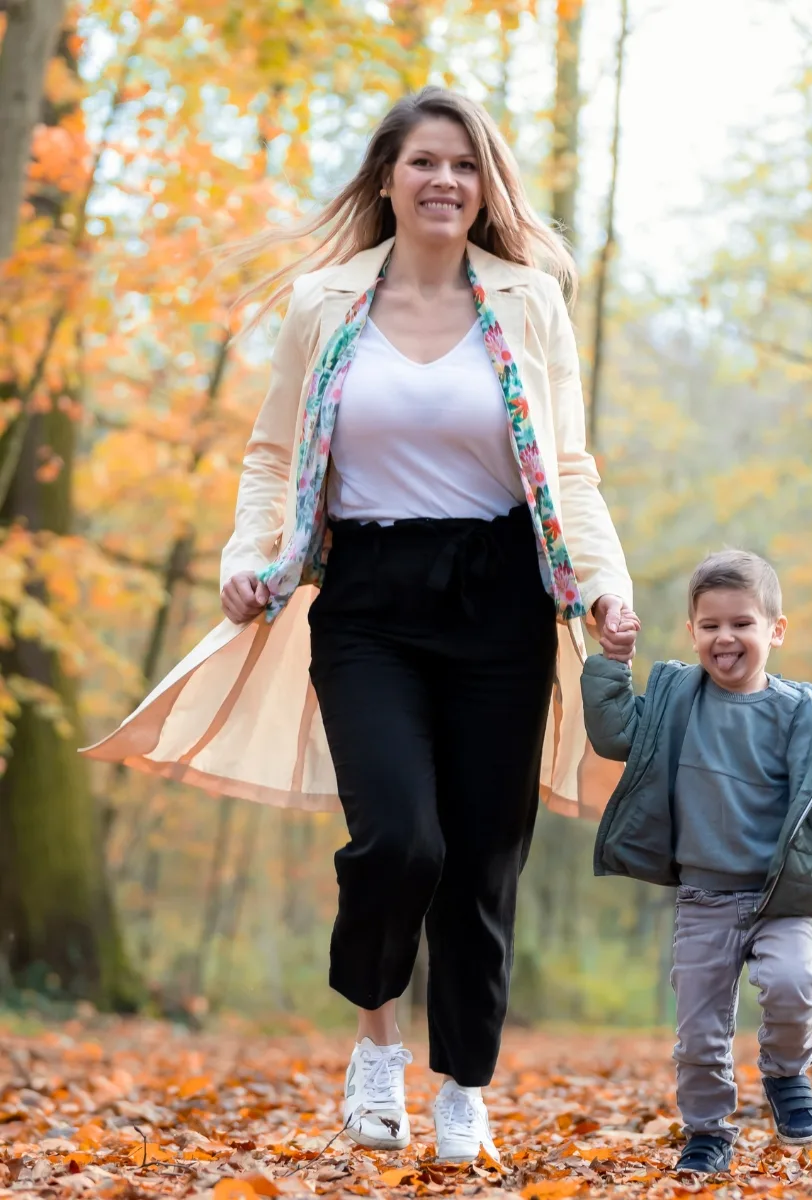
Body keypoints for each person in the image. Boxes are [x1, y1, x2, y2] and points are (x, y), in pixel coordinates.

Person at [83, 88, 637, 1162]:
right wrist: (248, 560)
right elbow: (269, 454)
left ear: (488, 188)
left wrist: (603, 585)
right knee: (400, 838)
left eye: (466, 166)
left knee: (482, 856)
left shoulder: (528, 302)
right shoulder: (325, 302)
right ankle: (376, 1041)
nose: (445, 182)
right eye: (425, 162)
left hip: (502, 595)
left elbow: (567, 465)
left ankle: (463, 1087)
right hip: (369, 596)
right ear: (387, 176)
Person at [581, 549, 812, 1174]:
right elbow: (614, 733)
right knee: (699, 1034)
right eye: (711, 626)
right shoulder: (676, 702)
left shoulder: (808, 719)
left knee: (794, 986)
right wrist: (614, 662)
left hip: (779, 898)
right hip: (703, 899)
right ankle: (707, 1131)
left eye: (742, 623)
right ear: (693, 633)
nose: (725, 638)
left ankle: (786, 1074)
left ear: (775, 631)